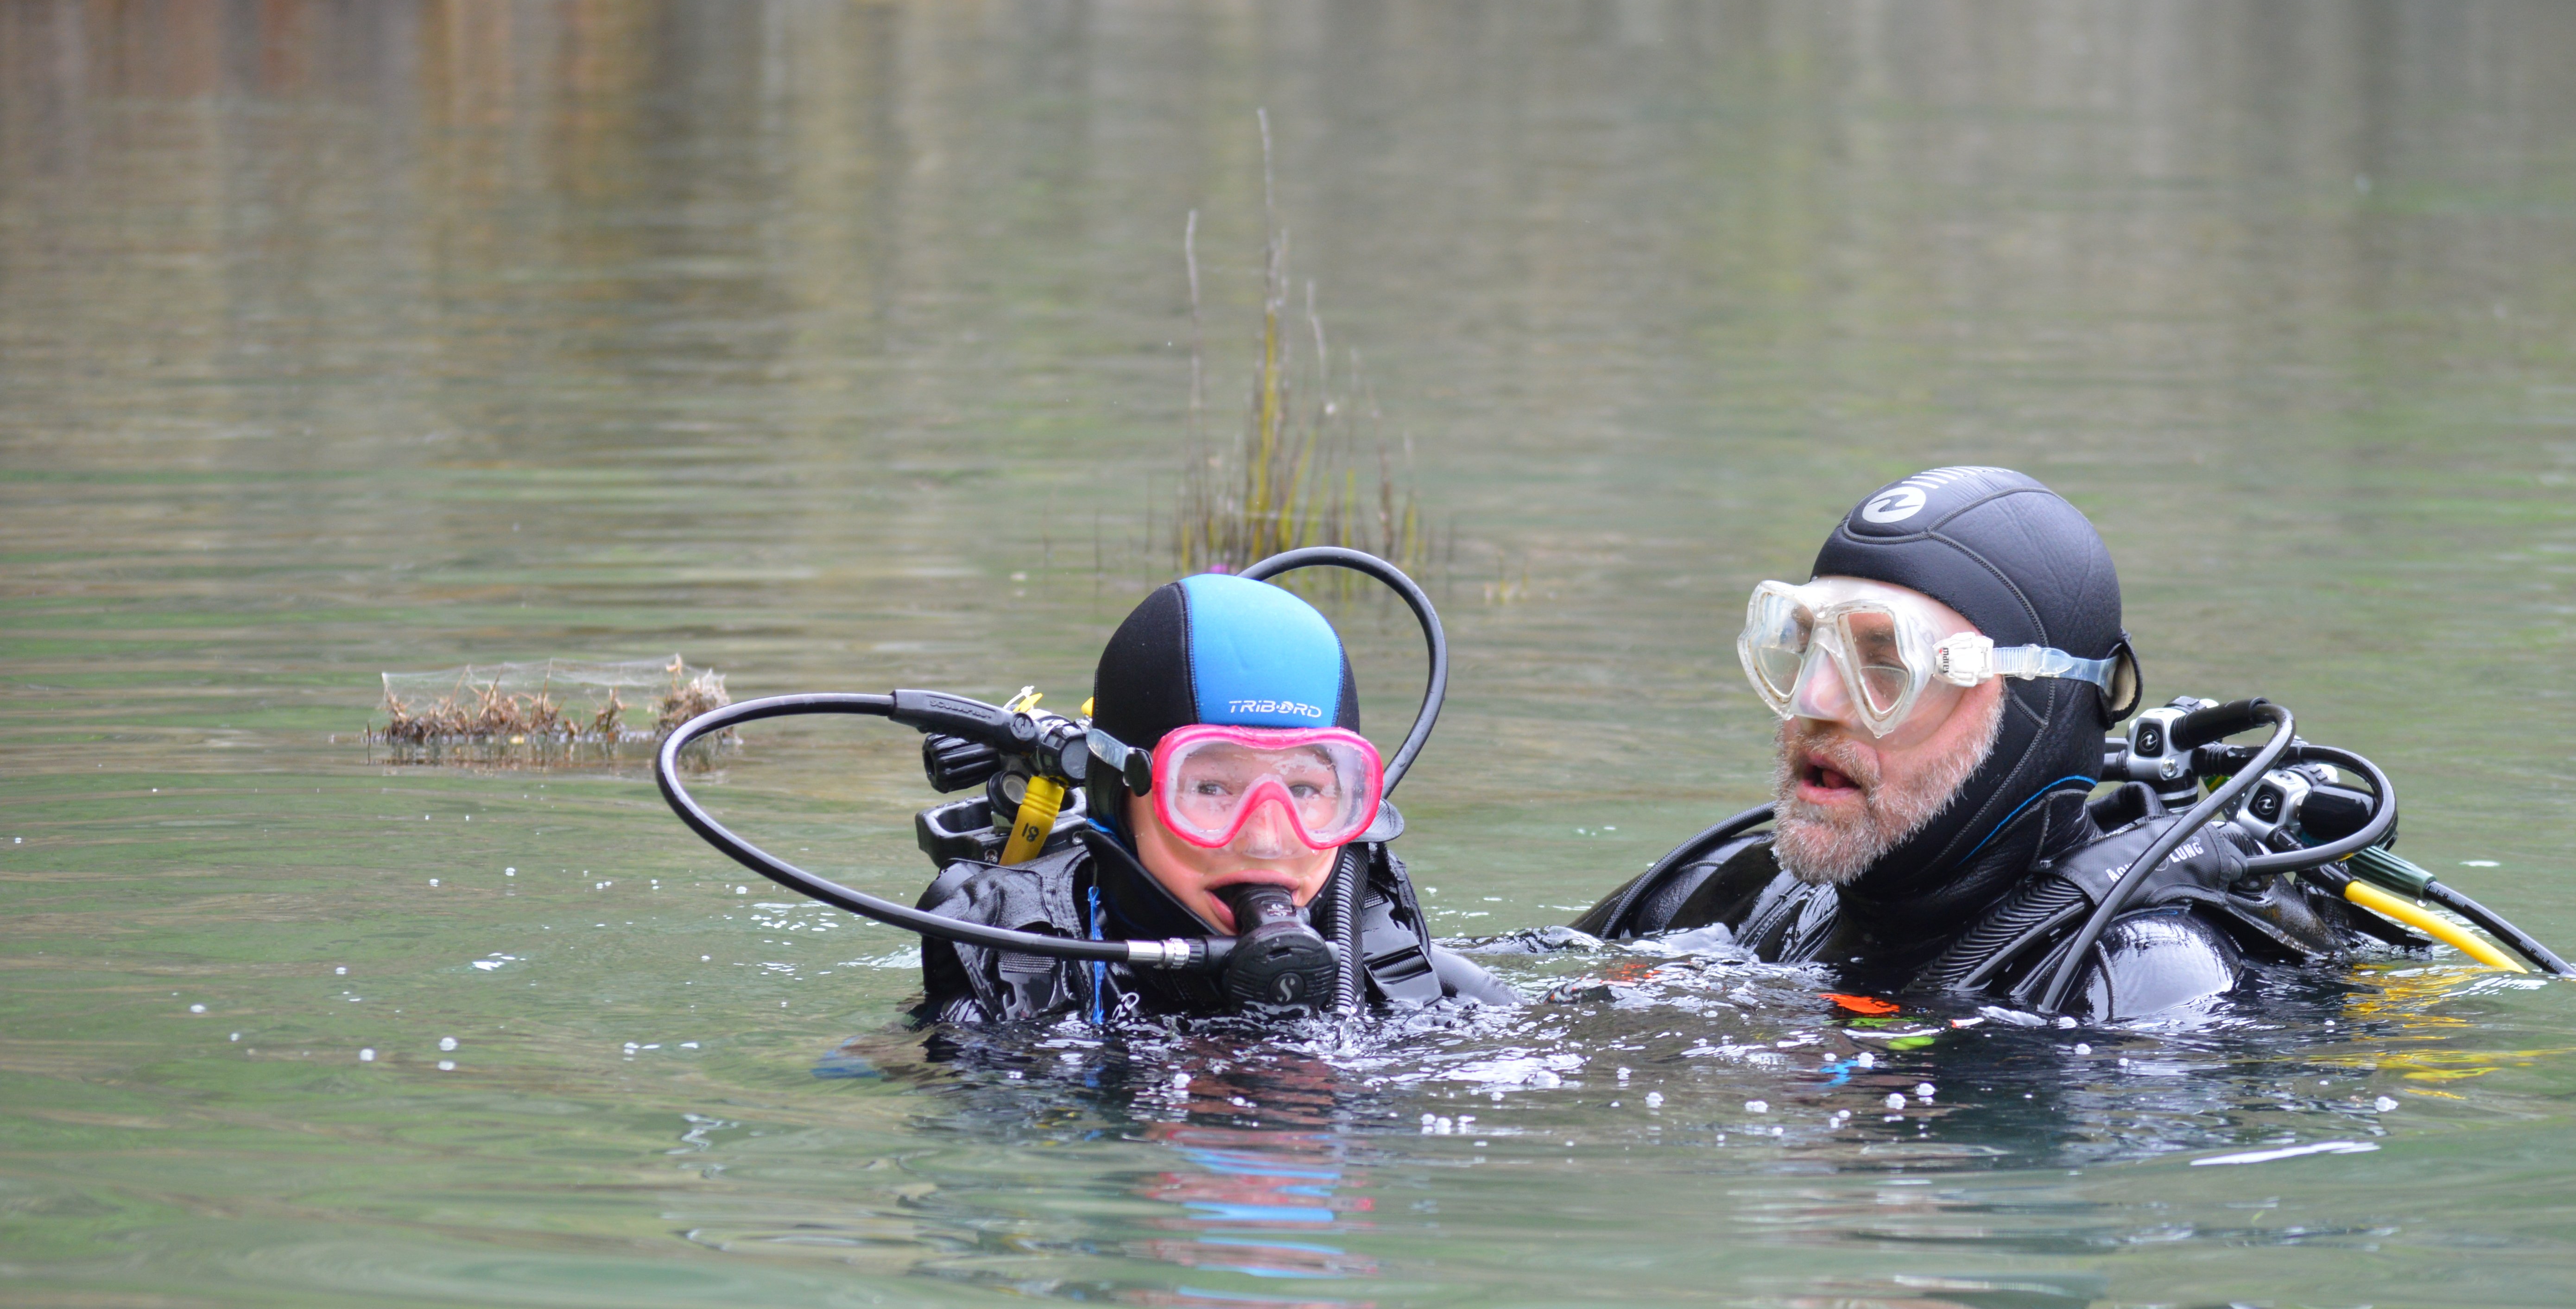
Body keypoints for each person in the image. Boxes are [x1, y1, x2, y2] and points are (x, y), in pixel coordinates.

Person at [1574, 466, 2386, 1019]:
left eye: (1887, 663)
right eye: (1806, 646)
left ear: (2034, 711)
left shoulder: (2142, 975)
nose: (1815, 702)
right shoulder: (1729, 891)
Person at [916, 573, 1513, 1023]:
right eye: (1210, 787)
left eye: (1304, 789)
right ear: (1114, 791)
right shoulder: (1025, 974)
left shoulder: (1402, 974)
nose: (1268, 839)